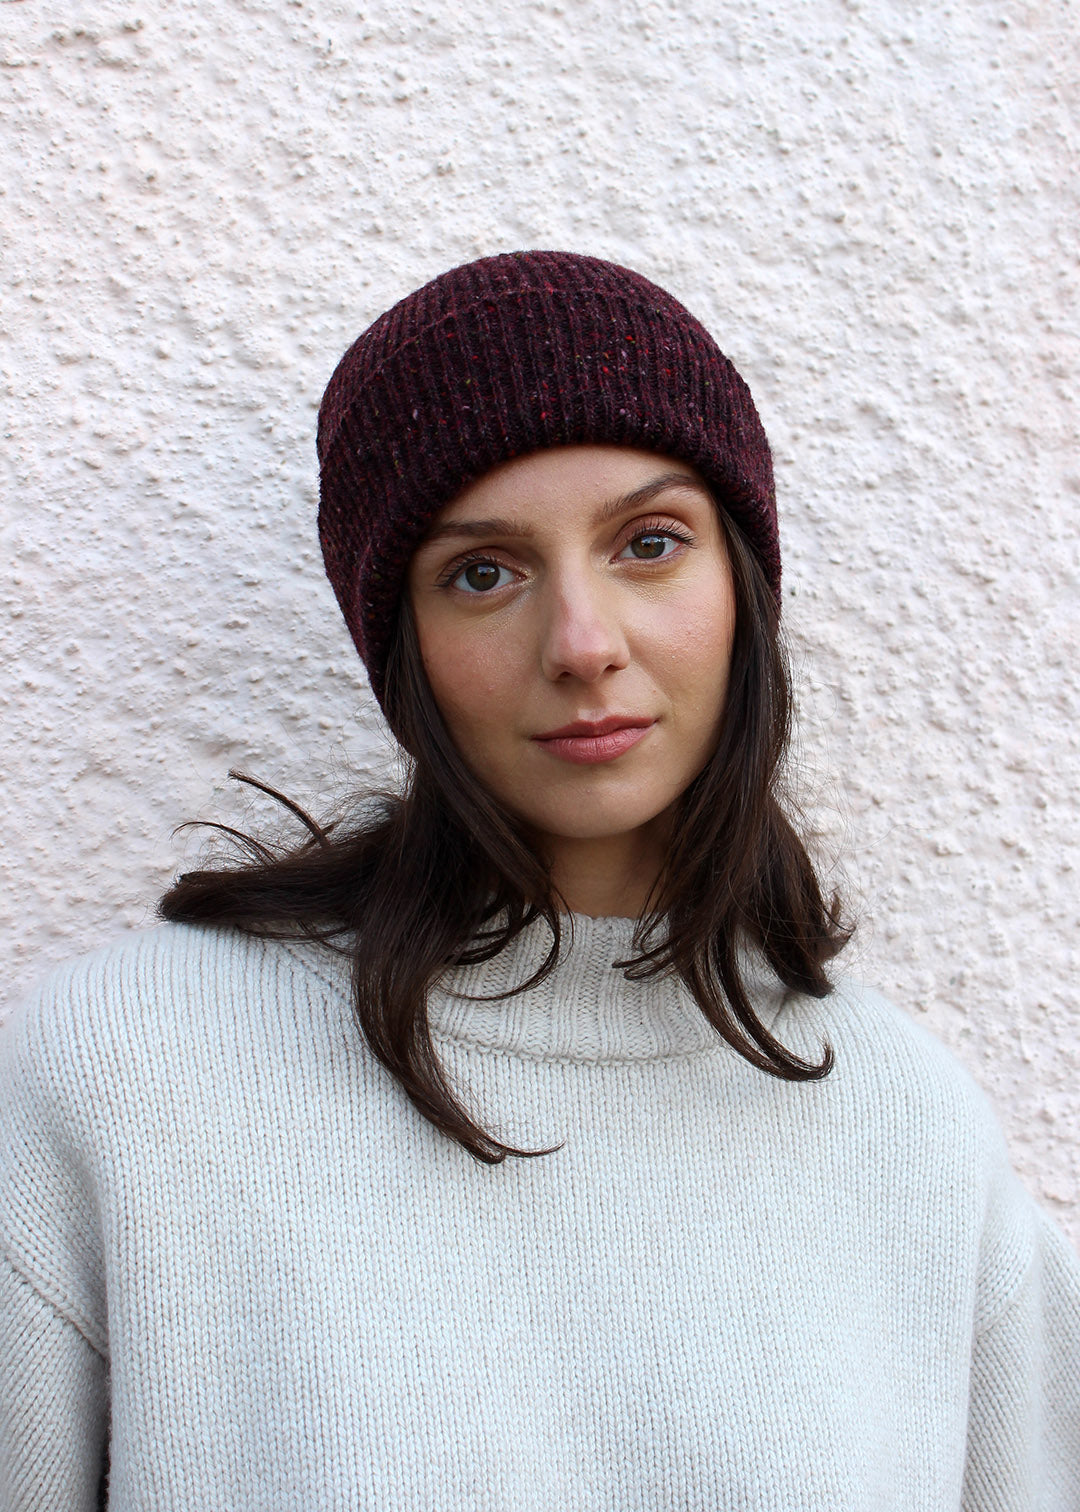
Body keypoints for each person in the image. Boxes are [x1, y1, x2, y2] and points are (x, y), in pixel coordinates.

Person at [1, 250, 1078, 1510]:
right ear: (401, 646)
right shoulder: (120, 1079)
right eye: (483, 573)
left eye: (651, 543)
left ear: (742, 585)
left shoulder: (906, 1130)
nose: (582, 643)